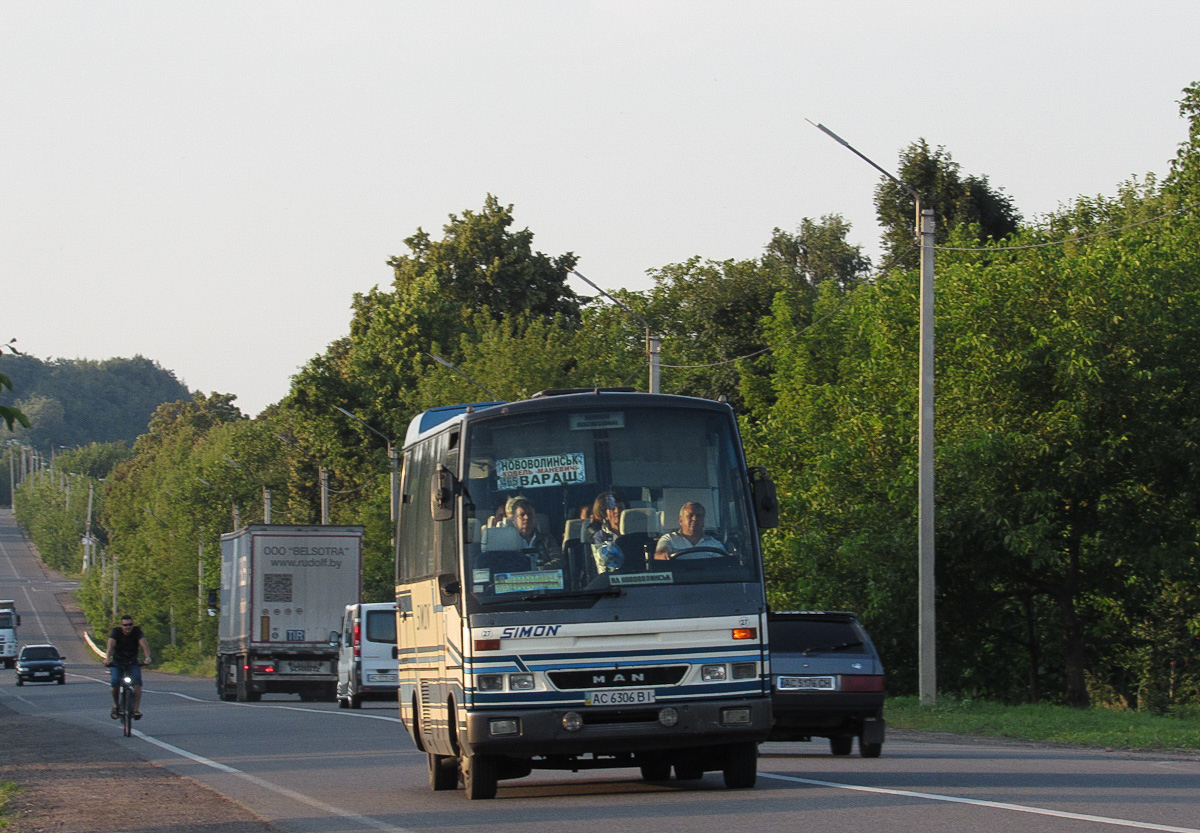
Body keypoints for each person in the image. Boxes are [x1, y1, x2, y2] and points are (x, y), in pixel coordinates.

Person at [105, 614, 151, 720]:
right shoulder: (116, 631)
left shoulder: (137, 631)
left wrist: (147, 657)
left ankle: (135, 710)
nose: (128, 627)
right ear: (121, 625)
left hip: (132, 661)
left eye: (130, 624)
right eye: (125, 625)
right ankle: (116, 706)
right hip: (118, 661)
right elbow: (111, 645)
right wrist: (108, 659)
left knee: (137, 683)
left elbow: (144, 644)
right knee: (115, 681)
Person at [654, 502, 726, 560]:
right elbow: (660, 552)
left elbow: (725, 561)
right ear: (681, 521)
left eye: (699, 516)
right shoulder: (669, 539)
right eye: (690, 515)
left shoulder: (714, 543)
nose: (694, 519)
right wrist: (662, 554)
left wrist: (730, 558)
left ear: (703, 520)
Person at [508, 496, 560, 568]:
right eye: (522, 515)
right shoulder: (508, 544)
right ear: (513, 520)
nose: (526, 518)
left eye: (530, 514)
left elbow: (559, 561)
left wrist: (539, 568)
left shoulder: (547, 539)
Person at [588, 491, 626, 573]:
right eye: (612, 508)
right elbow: (602, 567)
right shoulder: (599, 537)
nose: (617, 511)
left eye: (620, 508)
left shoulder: (635, 532)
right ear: (604, 513)